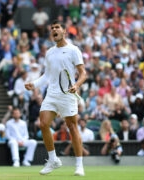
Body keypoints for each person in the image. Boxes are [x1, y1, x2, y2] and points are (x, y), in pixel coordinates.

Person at [25, 20, 87, 176]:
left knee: (72, 128)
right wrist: (34, 84)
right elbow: (47, 75)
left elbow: (83, 73)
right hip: (52, 94)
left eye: (57, 27)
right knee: (44, 123)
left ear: (64, 31)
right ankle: (53, 160)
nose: (54, 30)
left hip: (67, 94)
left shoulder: (74, 50)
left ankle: (79, 165)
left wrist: (77, 85)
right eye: (52, 28)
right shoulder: (49, 52)